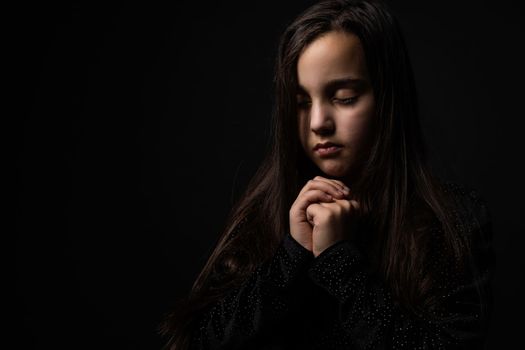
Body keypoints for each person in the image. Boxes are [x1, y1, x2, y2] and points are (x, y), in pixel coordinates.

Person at [160, 0, 494, 348]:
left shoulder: (452, 221)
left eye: (345, 97)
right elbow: (195, 341)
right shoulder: (265, 210)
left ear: (388, 98)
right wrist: (292, 255)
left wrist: (339, 262)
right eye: (301, 102)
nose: (319, 123)